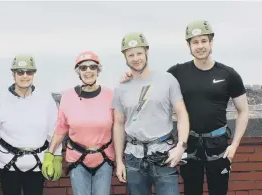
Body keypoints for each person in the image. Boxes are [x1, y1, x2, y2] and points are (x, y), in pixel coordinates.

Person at [120, 20, 249, 195]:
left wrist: (234, 146)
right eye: (195, 42)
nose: (200, 46)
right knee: (191, 191)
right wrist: (131, 76)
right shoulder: (177, 72)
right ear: (188, 45)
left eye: (204, 41)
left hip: (218, 146)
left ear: (211, 42)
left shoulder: (228, 74)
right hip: (190, 146)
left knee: (219, 191)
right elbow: (153, 83)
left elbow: (243, 111)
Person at [112, 32, 190, 195]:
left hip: (163, 154)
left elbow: (182, 114)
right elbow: (118, 124)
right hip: (133, 157)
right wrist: (119, 161)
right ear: (125, 57)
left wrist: (181, 147)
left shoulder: (167, 80)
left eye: (139, 53)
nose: (136, 58)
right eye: (130, 54)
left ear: (147, 52)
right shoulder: (121, 88)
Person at [0, 56, 62, 195]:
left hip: (37, 165)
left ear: (34, 74)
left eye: (29, 72)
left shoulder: (45, 99)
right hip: (8, 165)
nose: (25, 76)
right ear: (13, 74)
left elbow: (55, 130)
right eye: (20, 72)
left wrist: (56, 156)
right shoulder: (1, 101)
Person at [42, 51, 115, 195]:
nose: (88, 71)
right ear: (78, 72)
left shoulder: (110, 95)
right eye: (83, 68)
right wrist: (50, 154)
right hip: (78, 158)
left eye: (92, 67)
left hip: (104, 158)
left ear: (98, 70)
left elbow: (119, 127)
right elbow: (61, 128)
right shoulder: (68, 97)